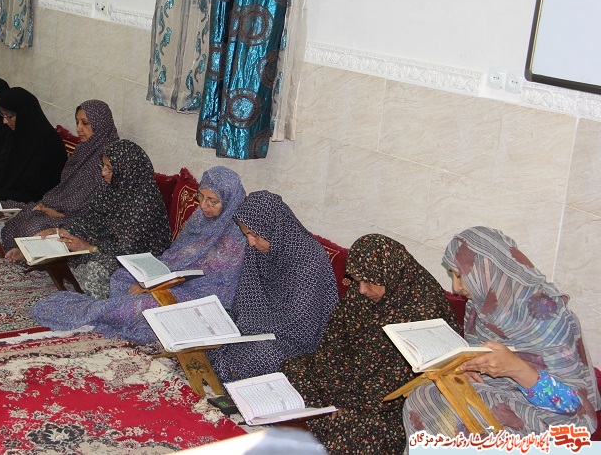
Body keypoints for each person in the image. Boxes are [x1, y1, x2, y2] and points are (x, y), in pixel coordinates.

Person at [403, 226, 600, 439]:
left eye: (460, 276)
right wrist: (467, 367)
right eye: (452, 275)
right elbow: (479, 354)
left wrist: (516, 368)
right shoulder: (480, 304)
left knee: (461, 416)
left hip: (548, 413)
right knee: (422, 396)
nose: (456, 287)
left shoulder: (546, 314)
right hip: (497, 391)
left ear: (487, 270)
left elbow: (573, 405)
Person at [281, 234, 460, 454]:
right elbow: (332, 345)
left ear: (390, 273)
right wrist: (335, 394)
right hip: (350, 382)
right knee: (293, 367)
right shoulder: (360, 295)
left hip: (390, 405)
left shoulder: (424, 309)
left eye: (369, 282)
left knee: (353, 431)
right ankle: (325, 420)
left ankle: (326, 424)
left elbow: (398, 382)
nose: (362, 290)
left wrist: (347, 404)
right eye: (357, 281)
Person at [28, 166, 247, 341]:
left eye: (213, 201)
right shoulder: (199, 219)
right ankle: (122, 310)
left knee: (145, 303)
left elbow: (215, 282)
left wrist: (153, 286)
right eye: (201, 197)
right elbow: (176, 254)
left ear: (229, 201)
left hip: (200, 296)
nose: (204, 205)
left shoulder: (235, 237)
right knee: (122, 276)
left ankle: (95, 311)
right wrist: (150, 277)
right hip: (170, 277)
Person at [207, 190, 338, 382]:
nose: (251, 242)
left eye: (254, 235)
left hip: (292, 339)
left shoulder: (310, 259)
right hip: (257, 325)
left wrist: (252, 330)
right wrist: (238, 326)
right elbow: (247, 295)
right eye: (246, 235)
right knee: (211, 326)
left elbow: (301, 324)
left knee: (263, 354)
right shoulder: (258, 248)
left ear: (274, 228)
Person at [45, 139, 171, 299]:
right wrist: (62, 231)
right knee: (64, 243)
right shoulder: (112, 187)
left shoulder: (143, 202)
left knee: (95, 268)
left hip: (136, 258)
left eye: (109, 169)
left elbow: (128, 249)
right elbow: (89, 218)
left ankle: (96, 301)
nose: (103, 173)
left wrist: (89, 247)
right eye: (103, 167)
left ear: (126, 170)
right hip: (107, 246)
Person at [1, 99, 119, 257]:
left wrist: (60, 213)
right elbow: (66, 186)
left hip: (83, 219)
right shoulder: (84, 149)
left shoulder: (111, 156)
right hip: (61, 207)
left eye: (85, 123)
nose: (79, 129)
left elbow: (99, 202)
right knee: (22, 217)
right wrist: (48, 204)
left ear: (100, 124)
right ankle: (25, 252)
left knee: (33, 228)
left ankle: (28, 254)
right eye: (77, 122)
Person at [0, 87, 67, 203]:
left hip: (38, 199)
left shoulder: (47, 141)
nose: (5, 121)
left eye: (9, 116)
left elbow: (36, 188)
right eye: (3, 115)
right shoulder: (19, 132)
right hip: (18, 190)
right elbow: (7, 167)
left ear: (24, 113)